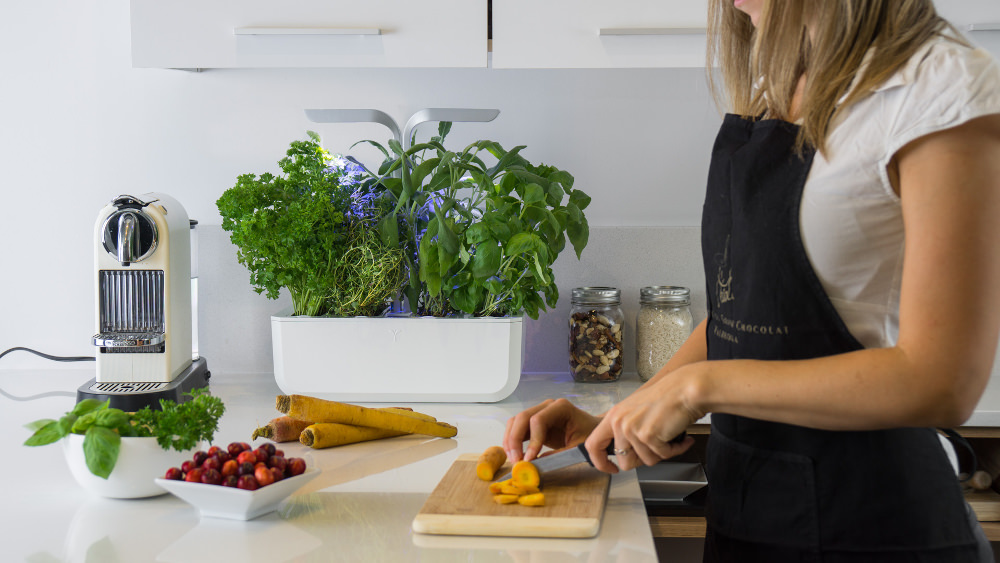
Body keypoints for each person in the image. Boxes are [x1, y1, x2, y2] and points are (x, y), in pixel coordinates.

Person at [502, 0, 1000, 560]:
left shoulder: (942, 88)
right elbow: (746, 312)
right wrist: (623, 417)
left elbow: (942, 381)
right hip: (747, 518)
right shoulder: (776, 87)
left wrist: (699, 388)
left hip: (877, 531)